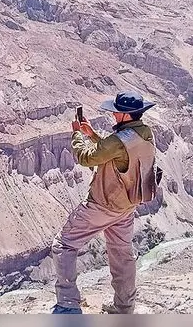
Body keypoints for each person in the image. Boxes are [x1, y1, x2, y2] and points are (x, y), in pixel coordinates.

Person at [49, 90, 159, 315]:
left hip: (103, 205)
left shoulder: (119, 140)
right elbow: (118, 153)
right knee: (121, 254)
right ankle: (124, 308)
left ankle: (68, 306)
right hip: (127, 206)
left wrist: (78, 134)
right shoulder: (145, 133)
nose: (114, 115)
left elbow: (86, 158)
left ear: (126, 115)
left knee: (63, 245)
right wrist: (94, 135)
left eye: (117, 112)